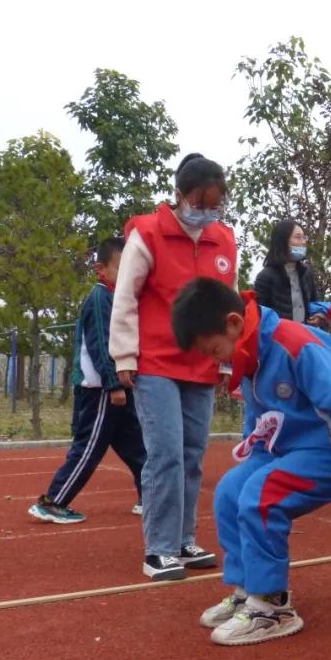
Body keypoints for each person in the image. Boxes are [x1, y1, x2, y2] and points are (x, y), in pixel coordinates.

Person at [171, 279, 331, 645]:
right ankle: (246, 590)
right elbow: (261, 421)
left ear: (234, 324)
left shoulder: (295, 344)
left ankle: (273, 606)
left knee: (261, 495)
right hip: (293, 449)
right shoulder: (251, 354)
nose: (215, 360)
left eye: (214, 349)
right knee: (230, 491)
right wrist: (253, 457)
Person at [110, 154, 237, 581]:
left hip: (202, 363)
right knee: (165, 454)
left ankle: (184, 539)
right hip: (157, 362)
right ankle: (158, 549)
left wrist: (226, 361)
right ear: (179, 195)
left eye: (215, 205)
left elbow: (229, 305)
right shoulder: (147, 234)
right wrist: (124, 356)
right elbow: (125, 297)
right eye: (199, 203)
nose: (207, 212)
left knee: (193, 455)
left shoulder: (224, 239)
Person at [29, 238, 146, 524]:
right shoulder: (99, 298)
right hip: (101, 390)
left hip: (119, 387)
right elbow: (100, 345)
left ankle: (151, 496)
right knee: (90, 447)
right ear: (100, 269)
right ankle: (53, 502)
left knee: (137, 447)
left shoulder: (118, 299)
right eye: (122, 266)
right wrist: (113, 385)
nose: (129, 273)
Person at [253, 219, 321, 325]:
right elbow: (259, 314)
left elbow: (314, 303)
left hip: (305, 334)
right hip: (279, 338)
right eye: (298, 237)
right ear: (283, 241)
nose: (303, 242)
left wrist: (318, 315)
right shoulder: (265, 276)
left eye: (304, 237)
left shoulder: (306, 273)